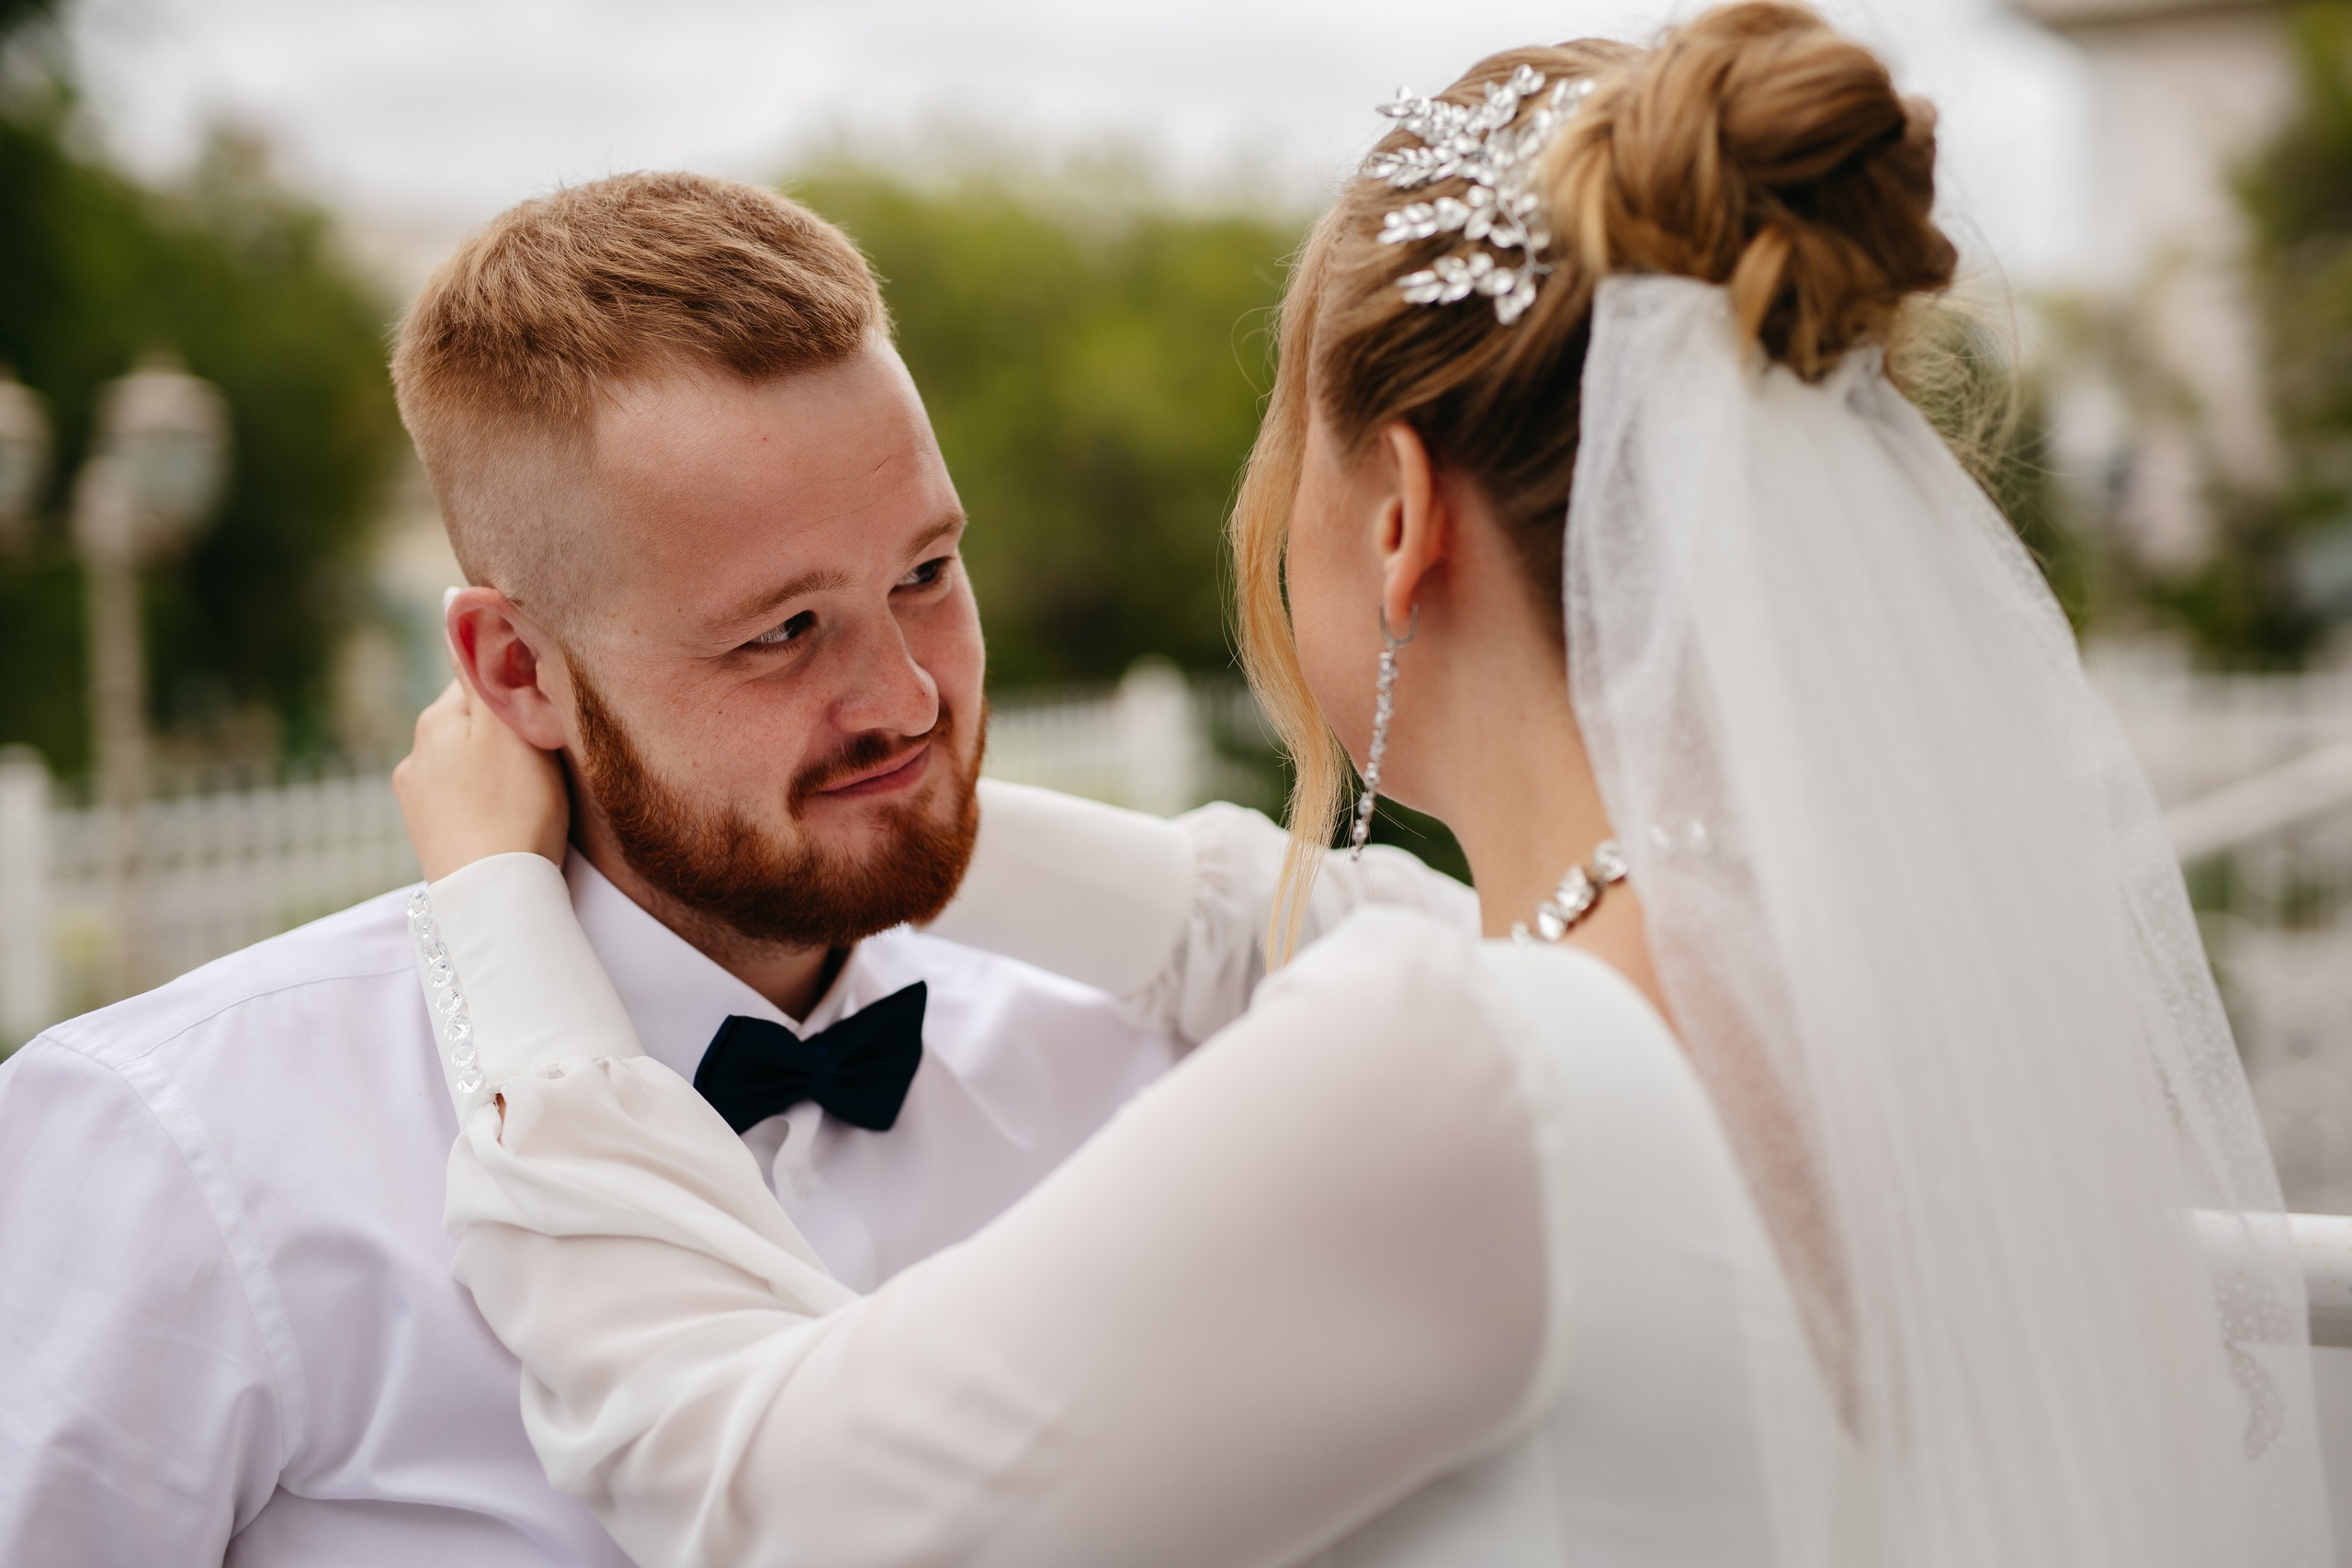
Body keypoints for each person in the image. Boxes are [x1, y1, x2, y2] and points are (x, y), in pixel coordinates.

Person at [395, 7, 2336, 1565]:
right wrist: (900, 824)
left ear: (1396, 511)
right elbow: (1301, 934)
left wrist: (503, 928)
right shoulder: (1826, 959)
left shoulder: (1471, 1064)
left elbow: (769, 1495)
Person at [0, 172, 1468, 1564]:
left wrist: (907, 819)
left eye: (926, 573)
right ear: (516, 669)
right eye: (781, 631)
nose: (905, 695)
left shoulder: (1139, 1047)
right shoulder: (180, 1149)